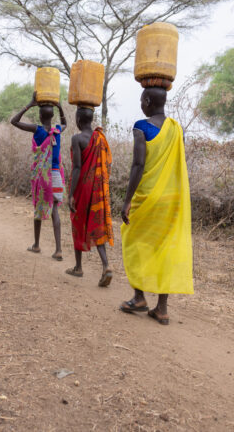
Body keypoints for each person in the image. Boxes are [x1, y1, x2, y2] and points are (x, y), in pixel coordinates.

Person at [118, 86, 193, 325]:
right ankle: (161, 308)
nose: (141, 104)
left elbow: (138, 165)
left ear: (148, 100)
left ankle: (139, 297)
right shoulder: (176, 128)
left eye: (141, 100)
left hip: (148, 197)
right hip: (172, 199)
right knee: (165, 248)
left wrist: (128, 199)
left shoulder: (142, 127)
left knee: (135, 241)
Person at [11, 92, 67, 260]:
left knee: (38, 209)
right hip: (56, 176)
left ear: (40, 116)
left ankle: (36, 245)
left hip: (43, 178)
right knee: (54, 210)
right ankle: (58, 250)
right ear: (52, 115)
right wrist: (59, 106)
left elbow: (14, 121)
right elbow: (65, 122)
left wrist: (30, 103)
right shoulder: (58, 130)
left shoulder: (37, 129)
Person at [65, 106, 114, 287]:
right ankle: (106, 265)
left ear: (78, 119)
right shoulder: (99, 138)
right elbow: (108, 163)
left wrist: (71, 194)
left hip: (82, 187)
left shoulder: (77, 138)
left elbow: (77, 167)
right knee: (96, 224)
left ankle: (78, 267)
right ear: (91, 120)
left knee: (77, 221)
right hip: (97, 187)